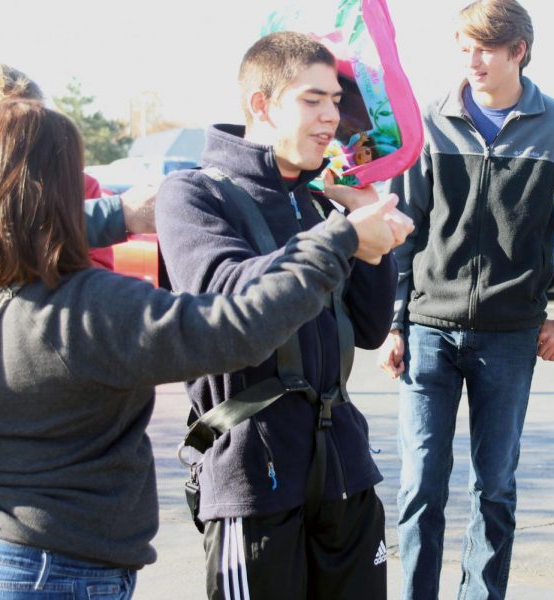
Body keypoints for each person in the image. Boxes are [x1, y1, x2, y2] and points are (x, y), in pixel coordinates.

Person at [0, 100, 407, 599]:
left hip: (9, 553)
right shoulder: (92, 308)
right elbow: (236, 330)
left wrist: (117, 215)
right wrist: (337, 239)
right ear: (63, 188)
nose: (330, 115)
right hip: (64, 568)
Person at [155, 31, 411, 599]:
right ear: (261, 104)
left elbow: (369, 330)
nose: (330, 117)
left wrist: (371, 229)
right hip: (253, 479)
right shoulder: (195, 194)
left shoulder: (322, 200)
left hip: (345, 471)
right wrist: (341, 239)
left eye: (336, 102)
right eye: (311, 100)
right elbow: (224, 304)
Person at [379, 1, 554, 597]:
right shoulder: (429, 122)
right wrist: (394, 322)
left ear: (518, 52)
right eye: (464, 48)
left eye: (485, 48)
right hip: (429, 329)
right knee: (420, 487)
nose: (473, 60)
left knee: (495, 487)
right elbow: (402, 229)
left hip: (510, 336)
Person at [0, 60, 157, 256]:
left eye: (32, 127)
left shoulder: (78, 185)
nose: (16, 142)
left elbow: (96, 271)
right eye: (4, 127)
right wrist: (113, 215)